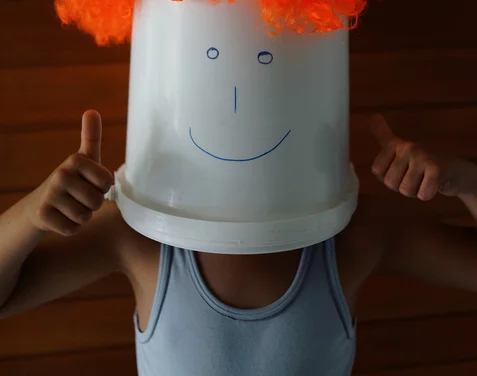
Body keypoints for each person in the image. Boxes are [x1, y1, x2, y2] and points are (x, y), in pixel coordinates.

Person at [0, 110, 476, 376]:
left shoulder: (356, 232)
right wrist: (31, 214)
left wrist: (463, 180)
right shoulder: (137, 235)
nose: (234, 99)